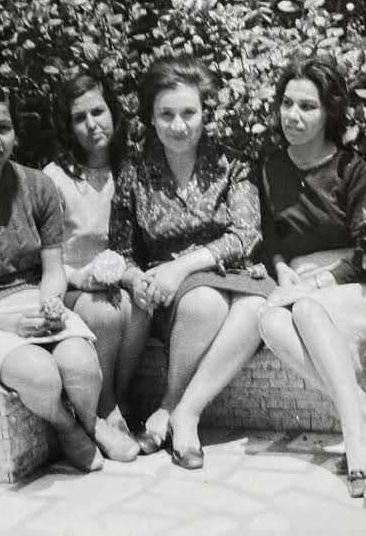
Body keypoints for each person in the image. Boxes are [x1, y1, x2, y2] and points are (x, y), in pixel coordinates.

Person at [0, 80, 139, 472]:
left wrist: (49, 303)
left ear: (15, 131)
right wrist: (11, 325)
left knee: (83, 367)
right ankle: (69, 427)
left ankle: (92, 421)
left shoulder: (37, 186)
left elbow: (53, 271)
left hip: (36, 304)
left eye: (3, 127)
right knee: (41, 376)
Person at [109, 54, 275, 470]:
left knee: (258, 306)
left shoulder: (231, 162)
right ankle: (180, 411)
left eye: (189, 113)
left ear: (204, 112)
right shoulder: (134, 171)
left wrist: (181, 266)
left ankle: (180, 409)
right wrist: (135, 280)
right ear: (151, 117)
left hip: (234, 274)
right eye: (166, 114)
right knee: (203, 301)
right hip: (175, 298)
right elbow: (122, 252)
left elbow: (245, 234)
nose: (178, 125)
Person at [258, 55, 366, 498]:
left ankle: (355, 434)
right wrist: (283, 270)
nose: (293, 116)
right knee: (270, 321)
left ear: (329, 111)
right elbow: (271, 238)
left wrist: (313, 283)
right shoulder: (271, 167)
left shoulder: (352, 169)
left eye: (308, 106)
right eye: (287, 103)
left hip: (358, 287)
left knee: (306, 310)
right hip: (301, 285)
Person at [43, 73, 151, 461]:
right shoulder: (55, 179)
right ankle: (104, 409)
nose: (91, 125)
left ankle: (114, 399)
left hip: (120, 279)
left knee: (141, 307)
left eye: (98, 112)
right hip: (72, 285)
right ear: (68, 127)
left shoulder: (130, 169)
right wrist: (80, 278)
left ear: (113, 113)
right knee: (103, 312)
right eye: (79, 118)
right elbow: (46, 256)